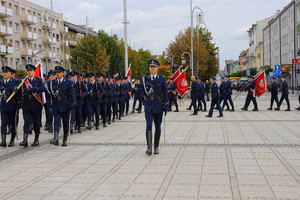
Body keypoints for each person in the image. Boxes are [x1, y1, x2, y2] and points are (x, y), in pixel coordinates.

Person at [142, 59, 168, 155]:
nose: (152, 68)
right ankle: (149, 148)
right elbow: (143, 92)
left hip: (158, 104)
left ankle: (156, 147)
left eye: (154, 67)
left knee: (158, 126)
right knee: (148, 124)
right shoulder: (145, 78)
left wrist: (166, 105)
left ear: (157, 68)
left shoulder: (162, 78)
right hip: (149, 104)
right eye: (150, 67)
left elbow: (165, 92)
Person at [20, 64, 45, 147]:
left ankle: (36, 139)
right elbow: (21, 91)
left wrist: (32, 89)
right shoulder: (24, 81)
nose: (29, 72)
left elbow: (42, 88)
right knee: (26, 122)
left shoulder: (38, 80)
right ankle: (25, 140)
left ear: (34, 72)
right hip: (26, 105)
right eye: (28, 71)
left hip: (36, 104)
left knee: (36, 123)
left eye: (30, 71)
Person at [49, 66, 76, 146]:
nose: (57, 74)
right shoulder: (52, 82)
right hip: (56, 104)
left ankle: (64, 139)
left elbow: (72, 94)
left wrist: (73, 103)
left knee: (65, 123)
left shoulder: (68, 82)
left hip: (65, 104)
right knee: (56, 121)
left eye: (59, 73)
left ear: (62, 73)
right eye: (56, 73)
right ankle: (56, 138)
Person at [0, 66, 21, 147]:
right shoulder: (1, 83)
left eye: (6, 72)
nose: (4, 74)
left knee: (12, 123)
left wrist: (19, 103)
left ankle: (12, 140)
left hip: (12, 106)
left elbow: (19, 95)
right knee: (3, 123)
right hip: (3, 105)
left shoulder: (15, 82)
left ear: (10, 73)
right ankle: (3, 140)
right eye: (3, 72)